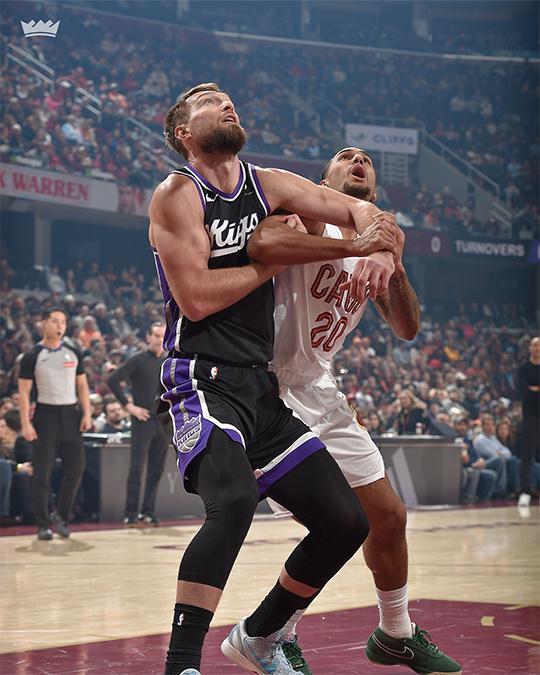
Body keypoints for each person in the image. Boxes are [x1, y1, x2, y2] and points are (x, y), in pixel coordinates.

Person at [153, 82, 399, 675]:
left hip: (261, 388)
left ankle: (260, 635)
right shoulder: (177, 193)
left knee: (347, 522)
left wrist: (380, 251)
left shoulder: (268, 183)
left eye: (228, 98)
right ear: (185, 132)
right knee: (234, 501)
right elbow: (196, 298)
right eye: (208, 101)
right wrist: (271, 264)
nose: (225, 102)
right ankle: (181, 664)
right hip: (201, 378)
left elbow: (366, 212)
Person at [248, 146, 461, 674]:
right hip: (269, 388)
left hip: (321, 387)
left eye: (364, 159)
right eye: (345, 157)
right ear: (324, 183)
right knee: (336, 523)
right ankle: (273, 634)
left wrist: (392, 259)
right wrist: (361, 242)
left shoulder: (376, 245)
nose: (357, 160)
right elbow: (269, 238)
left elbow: (407, 327)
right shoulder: (309, 218)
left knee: (388, 517)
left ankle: (395, 633)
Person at [18, 308, 92, 540]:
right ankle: (42, 524)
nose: (60, 326)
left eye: (63, 322)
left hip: (71, 414)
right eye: (55, 321)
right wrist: (25, 423)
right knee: (42, 472)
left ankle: (61, 516)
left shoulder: (73, 351)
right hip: (45, 415)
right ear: (43, 323)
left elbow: (82, 385)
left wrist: (87, 413)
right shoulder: (33, 355)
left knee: (76, 469)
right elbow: (23, 392)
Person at [107, 322, 169, 526]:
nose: (159, 339)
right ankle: (130, 512)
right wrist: (129, 407)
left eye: (163, 335)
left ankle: (148, 512)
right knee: (136, 469)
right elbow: (113, 380)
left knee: (156, 470)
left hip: (162, 423)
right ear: (148, 337)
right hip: (142, 422)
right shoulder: (138, 360)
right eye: (156, 335)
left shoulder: (169, 362)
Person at [516, 336, 540, 507]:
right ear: (530, 348)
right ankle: (525, 490)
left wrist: (535, 389)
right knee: (528, 453)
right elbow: (526, 393)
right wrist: (533, 391)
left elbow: (532, 392)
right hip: (531, 415)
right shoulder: (523, 369)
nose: (537, 348)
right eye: (535, 345)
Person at [454, 416, 500, 503]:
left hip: (473, 466)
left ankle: (483, 502)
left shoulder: (467, 439)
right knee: (471, 472)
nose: (462, 427)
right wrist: (471, 463)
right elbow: (464, 460)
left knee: (491, 475)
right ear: (454, 426)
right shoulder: (453, 439)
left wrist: (479, 460)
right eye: (459, 425)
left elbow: (475, 454)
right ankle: (467, 500)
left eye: (464, 425)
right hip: (462, 468)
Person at [473, 414, 520, 498]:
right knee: (500, 459)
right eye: (487, 425)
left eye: (492, 425)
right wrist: (499, 453)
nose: (490, 427)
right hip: (485, 463)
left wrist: (500, 453)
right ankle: (499, 491)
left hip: (495, 460)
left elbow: (507, 452)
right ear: (482, 426)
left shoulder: (493, 438)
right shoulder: (480, 440)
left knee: (513, 460)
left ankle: (516, 489)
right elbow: (492, 454)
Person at [0, 409, 34, 524]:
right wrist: (19, 467)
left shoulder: (7, 445)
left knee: (25, 474)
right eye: (1, 426)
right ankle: (3, 513)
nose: (4, 429)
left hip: (9, 474)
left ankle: (30, 513)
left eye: (5, 426)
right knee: (5, 466)